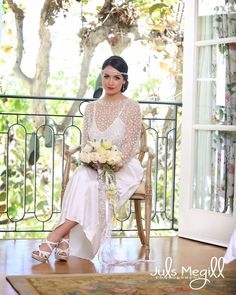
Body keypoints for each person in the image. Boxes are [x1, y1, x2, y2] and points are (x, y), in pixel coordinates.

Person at [32, 55, 144, 262]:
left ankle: (57, 235)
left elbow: (130, 145)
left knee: (91, 185)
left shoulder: (132, 107)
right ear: (101, 77)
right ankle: (63, 238)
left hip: (123, 167)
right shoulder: (91, 108)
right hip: (94, 165)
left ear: (124, 81)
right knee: (81, 175)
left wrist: (113, 164)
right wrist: (91, 160)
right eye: (106, 76)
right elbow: (85, 144)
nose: (110, 82)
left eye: (116, 77)